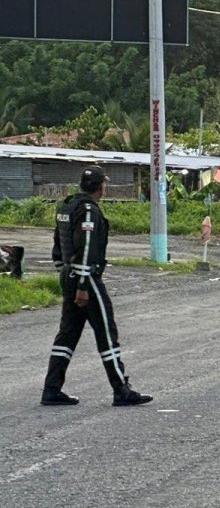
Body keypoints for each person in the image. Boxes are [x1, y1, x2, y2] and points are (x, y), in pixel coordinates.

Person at [41, 166, 153, 406]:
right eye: (104, 184)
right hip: (87, 280)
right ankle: (121, 389)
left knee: (67, 334)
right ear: (101, 187)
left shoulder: (67, 205)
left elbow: (58, 244)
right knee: (106, 332)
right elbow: (87, 247)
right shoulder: (88, 211)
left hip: (69, 276)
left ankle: (51, 389)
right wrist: (82, 284)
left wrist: (65, 273)